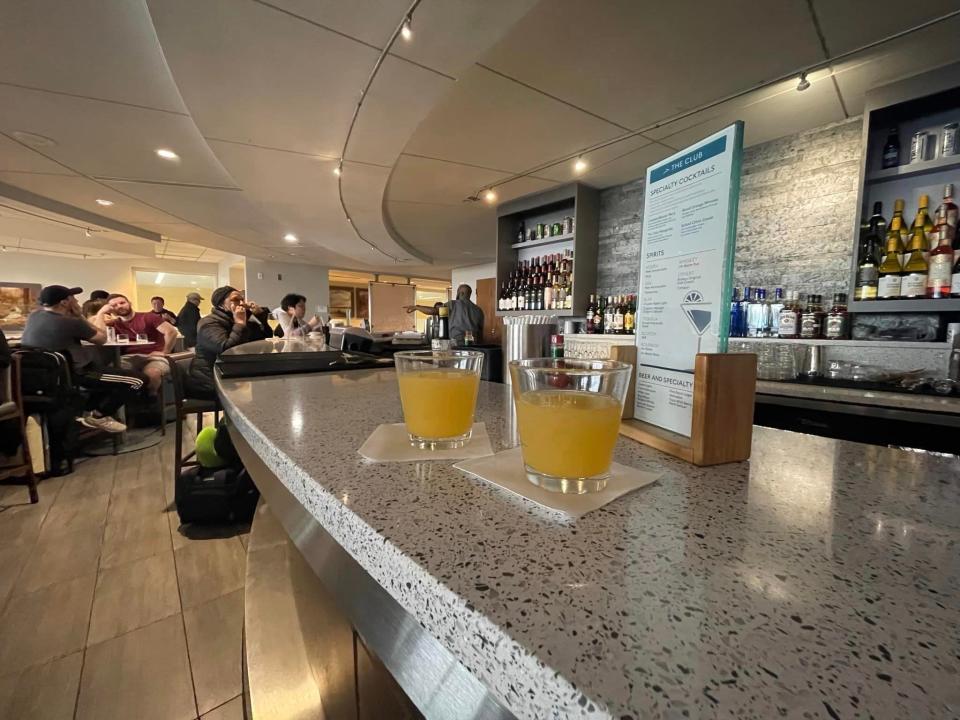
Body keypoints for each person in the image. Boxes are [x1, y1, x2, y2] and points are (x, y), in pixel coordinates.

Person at [20, 285, 143, 433]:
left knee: (110, 376)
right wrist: (82, 315)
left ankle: (86, 412)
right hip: (79, 373)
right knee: (138, 381)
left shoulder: (34, 316)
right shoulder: (71, 322)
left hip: (47, 376)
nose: (77, 301)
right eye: (72, 298)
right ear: (64, 303)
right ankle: (98, 416)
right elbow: (103, 339)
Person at [188, 286, 268, 398]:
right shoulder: (208, 323)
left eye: (242, 299)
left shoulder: (235, 319)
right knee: (257, 394)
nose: (241, 303)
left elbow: (263, 338)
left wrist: (260, 316)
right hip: (210, 380)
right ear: (221, 304)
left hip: (231, 374)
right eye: (235, 300)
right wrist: (239, 324)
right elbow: (226, 350)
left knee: (268, 384)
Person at [97, 293, 177, 396]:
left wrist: (165, 351)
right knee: (112, 375)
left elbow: (171, 331)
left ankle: (150, 401)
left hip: (153, 357)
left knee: (153, 374)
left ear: (129, 303)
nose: (119, 306)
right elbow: (98, 334)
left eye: (122, 303)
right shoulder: (114, 323)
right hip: (127, 358)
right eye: (114, 305)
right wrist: (101, 313)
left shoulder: (148, 317)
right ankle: (127, 404)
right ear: (110, 309)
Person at [404, 284, 484, 346]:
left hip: (457, 345)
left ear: (461, 293)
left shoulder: (453, 304)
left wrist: (417, 307)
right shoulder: (478, 310)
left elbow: (434, 311)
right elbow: (480, 333)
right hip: (473, 346)